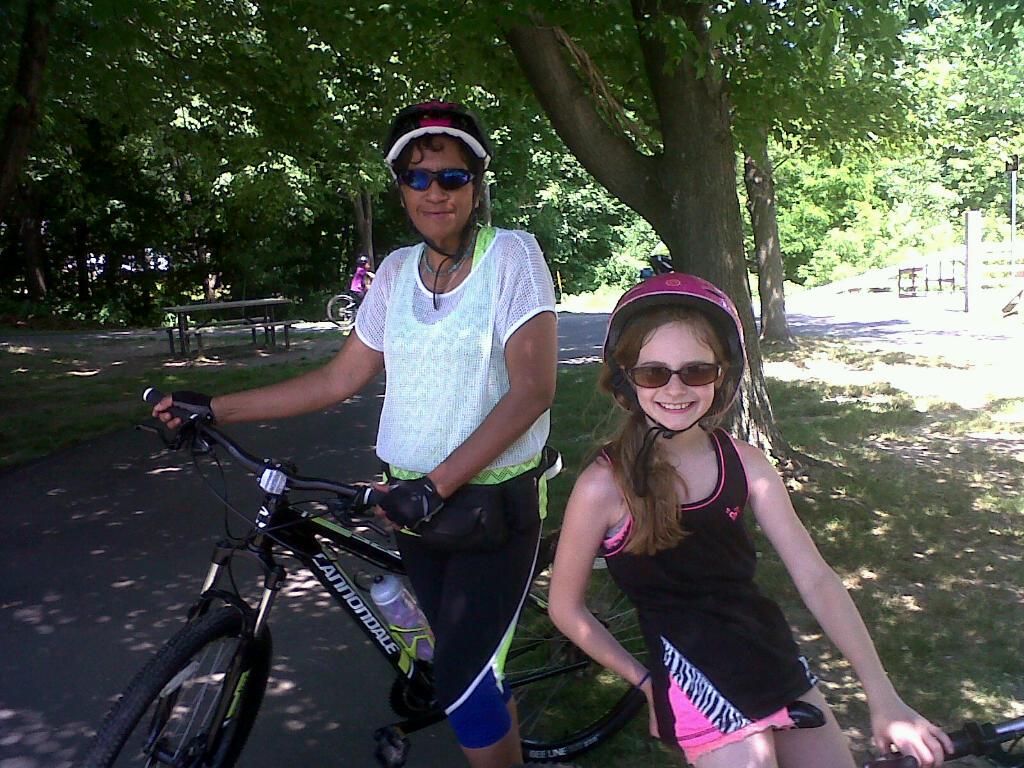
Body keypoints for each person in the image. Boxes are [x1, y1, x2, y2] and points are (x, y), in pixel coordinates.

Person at [154, 100, 558, 768]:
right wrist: (215, 408)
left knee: (463, 682)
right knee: (468, 665)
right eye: (417, 177)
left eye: (452, 177)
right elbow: (338, 378)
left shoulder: (512, 256)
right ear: (400, 188)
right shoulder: (396, 272)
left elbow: (533, 390)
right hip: (414, 507)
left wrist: (436, 486)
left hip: (492, 509)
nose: (434, 192)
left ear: (476, 184)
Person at [547, 272, 952, 768]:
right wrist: (649, 685)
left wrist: (883, 696)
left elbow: (816, 578)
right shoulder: (604, 486)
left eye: (696, 371)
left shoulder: (745, 464)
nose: (675, 388)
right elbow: (565, 607)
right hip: (697, 683)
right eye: (653, 373)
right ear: (626, 379)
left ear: (722, 375)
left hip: (774, 660)